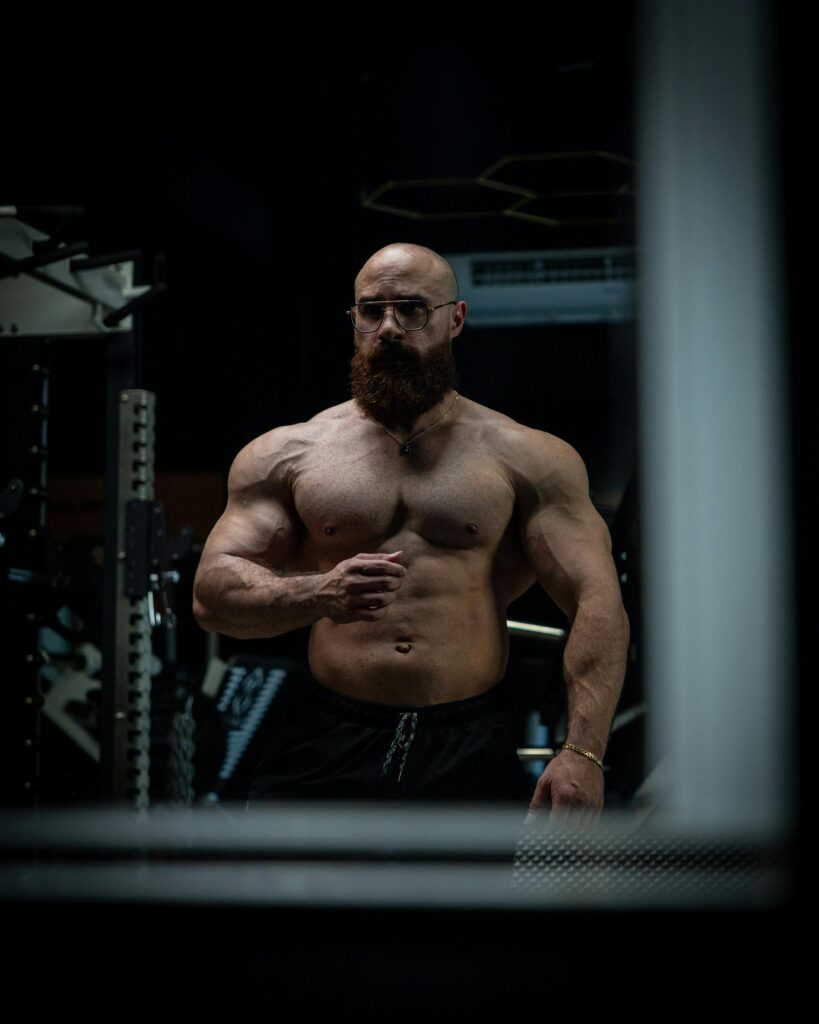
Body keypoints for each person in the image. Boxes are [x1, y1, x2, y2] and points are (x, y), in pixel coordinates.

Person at [192, 242, 629, 820]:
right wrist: (316, 592)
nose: (389, 328)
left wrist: (583, 753)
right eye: (371, 311)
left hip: (468, 743)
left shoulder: (529, 457)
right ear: (354, 321)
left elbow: (598, 602)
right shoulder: (286, 454)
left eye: (412, 309)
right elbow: (211, 598)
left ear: (456, 318)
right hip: (328, 734)